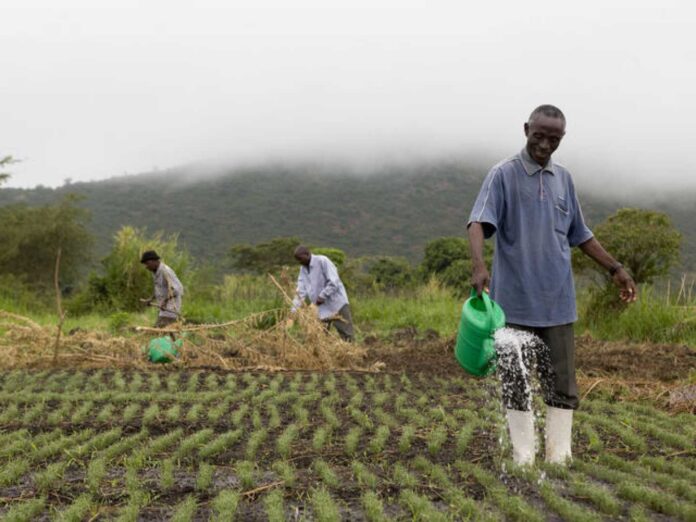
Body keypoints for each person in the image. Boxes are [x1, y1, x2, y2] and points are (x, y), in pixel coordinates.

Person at [467, 104, 637, 466]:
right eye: (539, 136)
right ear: (526, 129)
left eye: (554, 139)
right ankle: (523, 456)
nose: (545, 145)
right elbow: (478, 221)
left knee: (563, 383)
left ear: (562, 139)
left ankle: (560, 457)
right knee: (515, 381)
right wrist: (479, 265)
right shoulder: (503, 174)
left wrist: (615, 268)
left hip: (558, 303)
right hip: (512, 304)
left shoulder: (564, 179)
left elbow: (581, 234)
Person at [289, 246, 354, 342]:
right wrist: (293, 310)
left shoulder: (322, 261)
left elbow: (334, 281)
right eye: (297, 260)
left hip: (336, 304)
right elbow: (300, 291)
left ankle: (352, 354)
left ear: (307, 254)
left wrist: (322, 296)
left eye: (300, 259)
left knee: (346, 334)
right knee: (319, 336)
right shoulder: (303, 269)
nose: (300, 262)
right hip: (320, 309)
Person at [140, 250, 184, 330]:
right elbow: (159, 288)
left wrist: (165, 301)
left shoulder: (165, 271)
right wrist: (150, 299)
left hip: (171, 307)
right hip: (164, 308)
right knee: (167, 332)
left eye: (147, 263)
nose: (146, 266)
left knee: (158, 330)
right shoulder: (155, 272)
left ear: (154, 261)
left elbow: (177, 289)